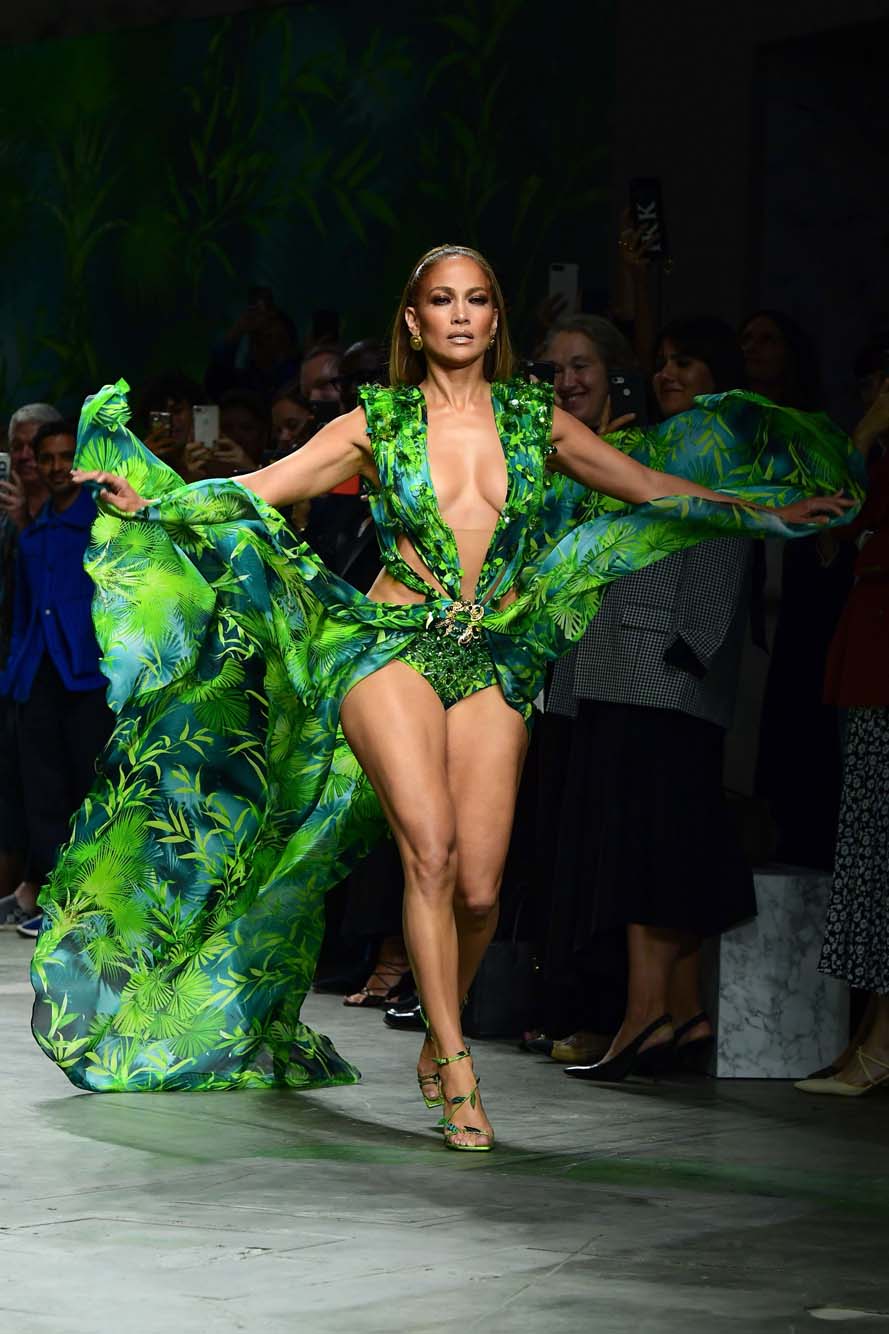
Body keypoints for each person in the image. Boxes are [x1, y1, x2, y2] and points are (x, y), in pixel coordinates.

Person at [41, 245, 856, 1154]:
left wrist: (764, 512)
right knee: (428, 852)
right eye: (441, 299)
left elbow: (647, 486)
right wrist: (157, 504)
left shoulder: (534, 420)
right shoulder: (377, 421)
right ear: (413, 319)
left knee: (479, 887)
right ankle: (458, 1067)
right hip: (388, 645)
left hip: (490, 654)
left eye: (475, 299)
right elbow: (264, 487)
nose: (460, 314)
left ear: (496, 317)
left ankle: (442, 1024)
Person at [546, 317, 760, 1082]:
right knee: (649, 842)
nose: (668, 372)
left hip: (661, 668)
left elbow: (722, 539)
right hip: (620, 663)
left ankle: (646, 1016)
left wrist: (692, 644)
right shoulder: (656, 442)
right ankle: (675, 1009)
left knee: (649, 846)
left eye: (686, 361)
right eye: (663, 361)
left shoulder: (721, 443)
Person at [796, 352, 889, 1097]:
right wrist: (865, 433)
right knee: (868, 850)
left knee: (880, 854)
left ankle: (879, 1045)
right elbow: (827, 520)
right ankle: (869, 1035)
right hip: (869, 655)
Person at [0, 422, 114, 935]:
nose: (55, 467)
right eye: (46, 458)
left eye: (66, 456)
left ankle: (89, 904)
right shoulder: (36, 530)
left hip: (88, 673)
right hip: (39, 673)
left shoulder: (101, 521)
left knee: (88, 786)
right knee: (43, 791)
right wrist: (16, 673)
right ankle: (53, 901)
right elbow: (25, 611)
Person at [0, 403, 61, 924]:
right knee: (22, 780)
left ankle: (52, 890)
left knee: (58, 780)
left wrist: (27, 522)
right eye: (16, 446)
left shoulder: (74, 507)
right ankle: (30, 884)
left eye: (34, 446)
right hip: (18, 661)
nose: (25, 457)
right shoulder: (8, 509)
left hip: (66, 665)